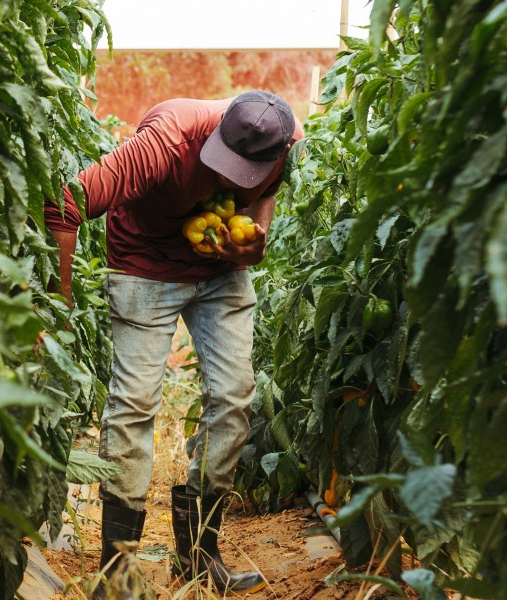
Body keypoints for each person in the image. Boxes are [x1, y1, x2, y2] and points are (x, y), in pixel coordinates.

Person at [45, 90, 301, 597]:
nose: (230, 179)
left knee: (234, 396)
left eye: (243, 172)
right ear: (219, 130)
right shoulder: (167, 141)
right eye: (224, 163)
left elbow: (264, 204)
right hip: (144, 265)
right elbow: (65, 204)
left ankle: (198, 556)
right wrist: (60, 302)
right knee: (135, 403)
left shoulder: (284, 141)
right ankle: (117, 571)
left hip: (220, 273)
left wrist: (255, 241)